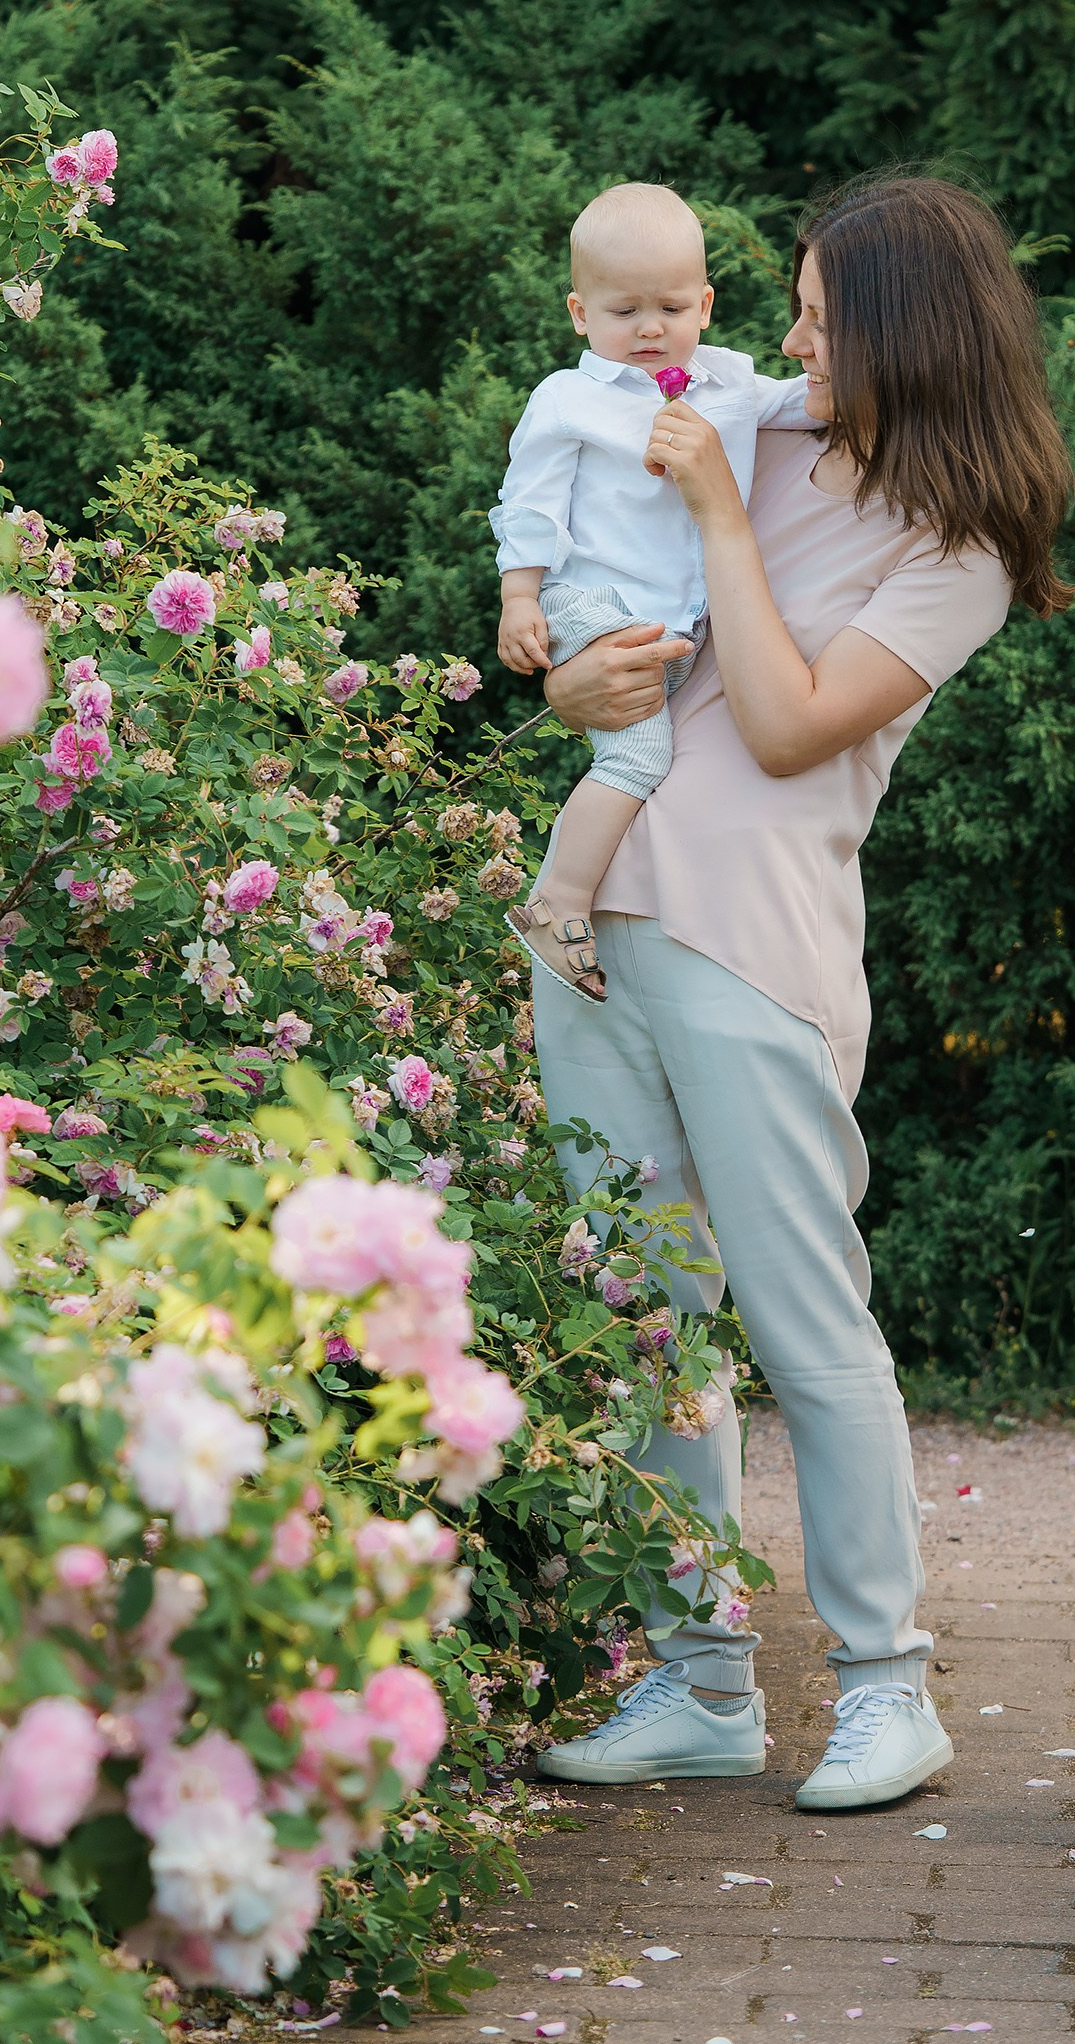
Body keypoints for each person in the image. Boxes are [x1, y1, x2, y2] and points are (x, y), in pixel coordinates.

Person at [530, 175, 1071, 1809]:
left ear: (908, 335)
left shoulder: (957, 550)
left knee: (801, 1320)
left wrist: (710, 526)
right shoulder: (743, 427)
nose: (782, 343)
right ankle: (694, 1685)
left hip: (750, 953)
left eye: (823, 322)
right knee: (643, 1318)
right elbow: (595, 625)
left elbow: (777, 722)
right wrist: (566, 678)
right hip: (598, 924)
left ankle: (885, 1688)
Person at [492, 182, 810, 1002]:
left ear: (704, 304)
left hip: (675, 617)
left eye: (669, 306)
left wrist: (869, 395)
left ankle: (596, 898)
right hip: (591, 605)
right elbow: (528, 504)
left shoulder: (730, 383)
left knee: (651, 750)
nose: (647, 328)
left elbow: (798, 405)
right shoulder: (567, 401)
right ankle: (555, 900)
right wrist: (518, 598)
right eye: (621, 310)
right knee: (638, 754)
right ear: (578, 314)